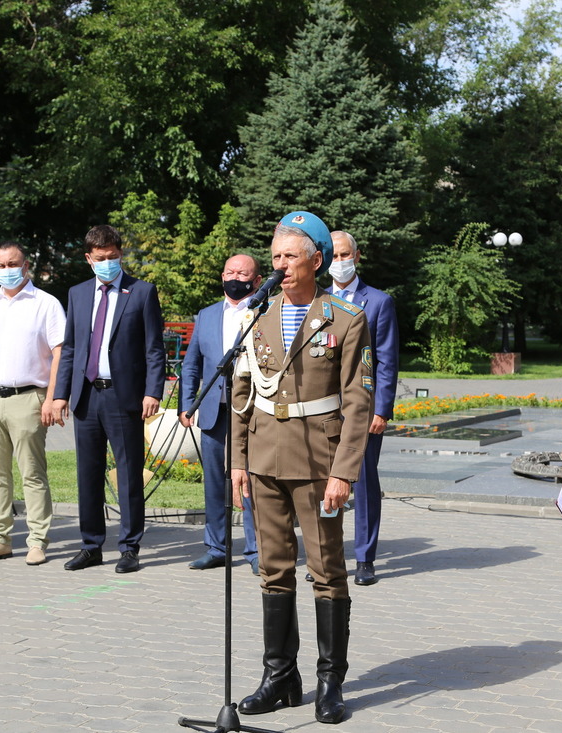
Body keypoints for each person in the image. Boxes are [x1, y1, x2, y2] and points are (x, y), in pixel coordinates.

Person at [231, 211, 373, 724]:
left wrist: (343, 472)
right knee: (272, 569)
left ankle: (329, 680)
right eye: (275, 257)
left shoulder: (345, 318)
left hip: (318, 463)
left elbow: (358, 402)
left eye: (292, 256)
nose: (282, 265)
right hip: (266, 459)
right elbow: (242, 393)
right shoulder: (257, 316)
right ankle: (280, 676)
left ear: (318, 259)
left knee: (327, 571)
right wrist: (238, 461)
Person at [51, 225, 166, 574]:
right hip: (86, 395)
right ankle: (91, 545)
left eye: (113, 257)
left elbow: (153, 349)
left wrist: (152, 391)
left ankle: (129, 547)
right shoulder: (78, 293)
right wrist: (60, 394)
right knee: (88, 473)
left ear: (121, 253)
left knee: (128, 473)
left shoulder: (141, 292)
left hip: (123, 395)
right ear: (89, 259)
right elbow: (69, 348)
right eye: (100, 259)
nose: (108, 263)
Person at [0, 242, 65, 566]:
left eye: (13, 263)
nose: (7, 269)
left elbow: (60, 351)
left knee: (32, 473)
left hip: (28, 398)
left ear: (26, 265)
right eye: (0, 265)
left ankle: (37, 541)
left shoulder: (45, 304)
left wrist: (52, 397)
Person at [178, 254, 262, 574]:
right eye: (229, 271)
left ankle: (256, 550)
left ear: (256, 280)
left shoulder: (264, 311)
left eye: (242, 272)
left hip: (252, 411)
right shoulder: (207, 314)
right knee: (215, 482)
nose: (234, 277)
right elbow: (191, 364)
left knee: (251, 481)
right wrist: (188, 404)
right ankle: (216, 547)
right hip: (214, 410)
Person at [328, 230, 398, 586]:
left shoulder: (378, 301)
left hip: (364, 408)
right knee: (324, 483)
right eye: (333, 255)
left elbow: (386, 360)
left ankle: (365, 558)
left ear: (356, 256)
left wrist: (381, 409)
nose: (338, 262)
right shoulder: (317, 299)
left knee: (364, 483)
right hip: (323, 409)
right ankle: (327, 558)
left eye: (344, 255)